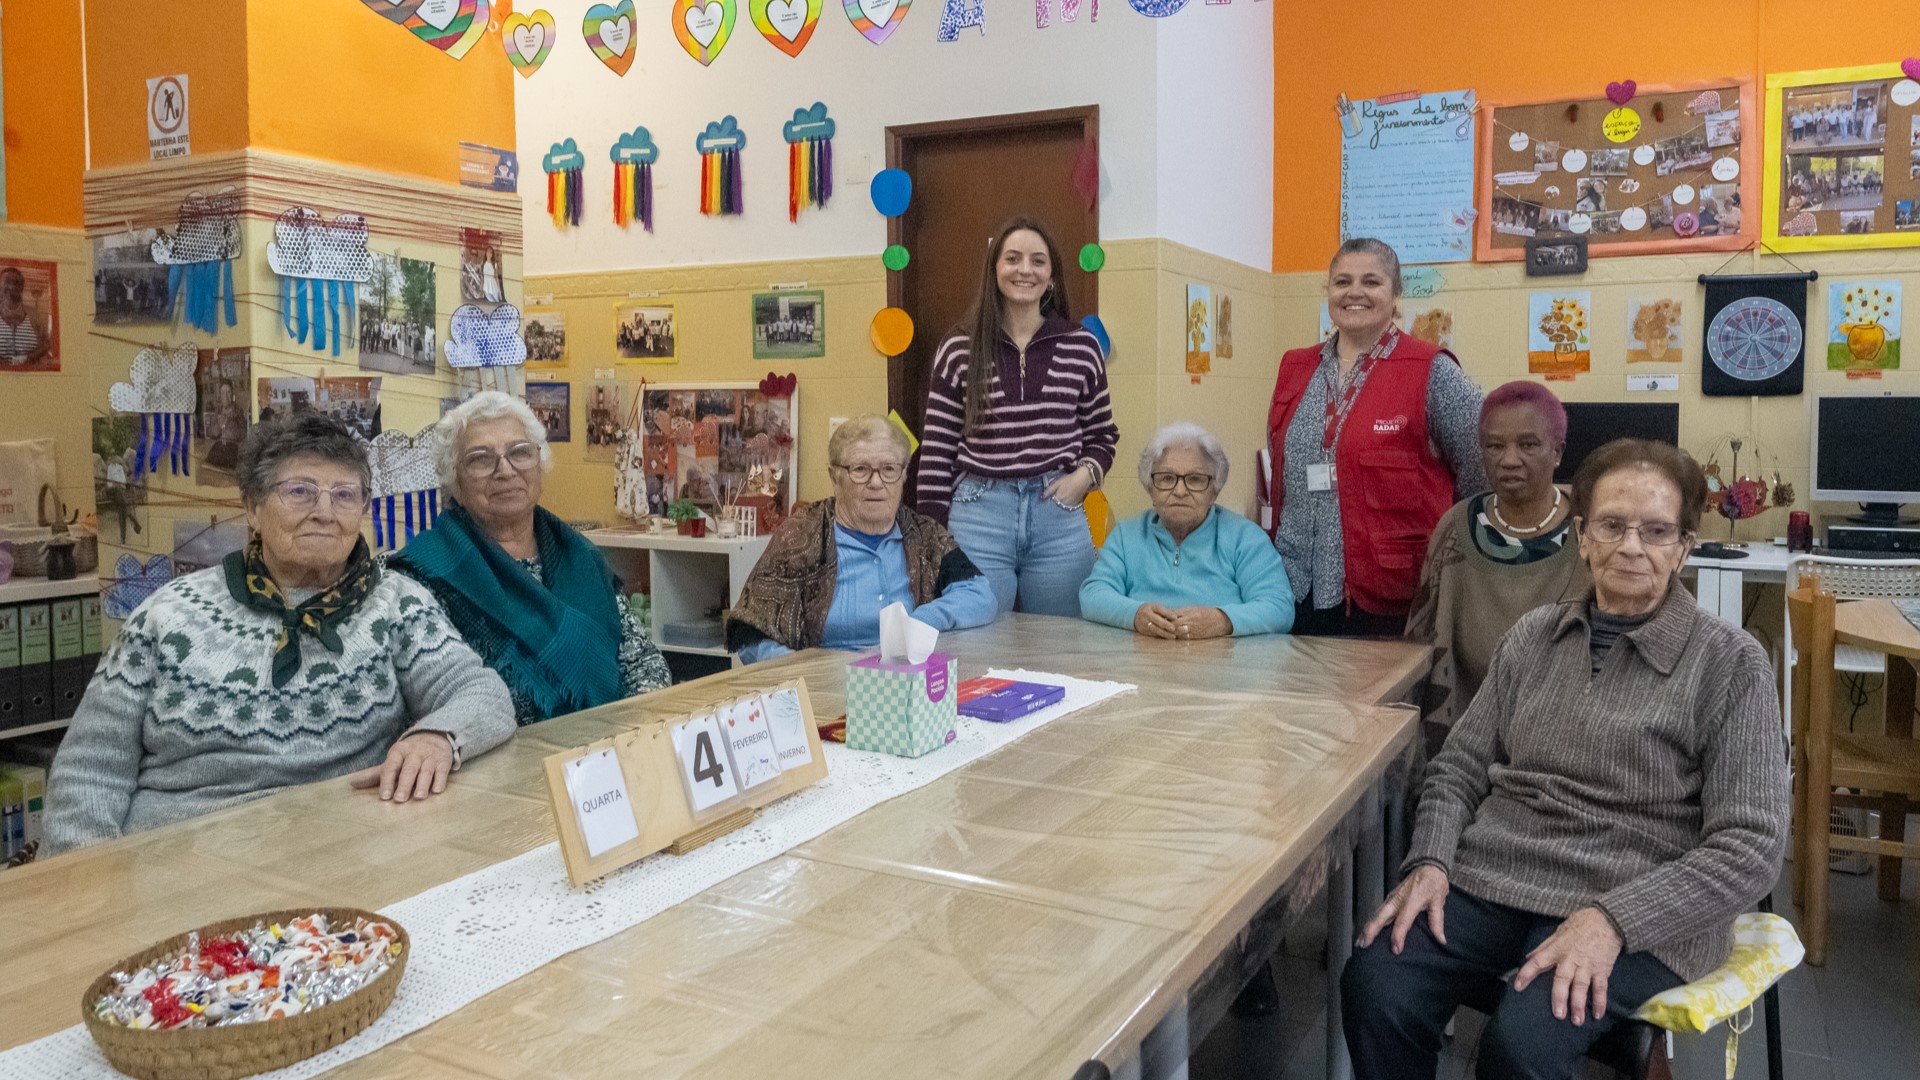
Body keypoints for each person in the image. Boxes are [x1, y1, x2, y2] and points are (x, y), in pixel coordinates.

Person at [1342, 438, 1788, 1080]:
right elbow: (1459, 767)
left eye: (1656, 530)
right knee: (1378, 985)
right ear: (1582, 535)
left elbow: (1751, 846)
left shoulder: (1731, 663)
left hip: (1640, 897)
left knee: (1519, 1048)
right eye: (1612, 525)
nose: (1632, 546)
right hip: (1499, 874)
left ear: (1684, 546)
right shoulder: (1533, 636)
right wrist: (1432, 860)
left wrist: (1614, 920)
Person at [45, 415, 516, 853]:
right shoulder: (166, 617)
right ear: (252, 507)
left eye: (344, 495)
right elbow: (87, 773)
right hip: (180, 862)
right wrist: (92, 889)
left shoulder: (395, 603)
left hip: (344, 856)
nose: (324, 512)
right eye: (299, 492)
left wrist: (436, 738)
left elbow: (482, 694)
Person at [390, 392, 670, 725]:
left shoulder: (581, 559)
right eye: (480, 458)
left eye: (520, 452)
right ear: (455, 482)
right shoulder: (420, 576)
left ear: (539, 464)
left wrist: (632, 731)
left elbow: (641, 660)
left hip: (606, 751)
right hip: (492, 763)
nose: (504, 470)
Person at [1268, 237, 1485, 637]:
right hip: (1292, 587)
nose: (1354, 292)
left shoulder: (1430, 370)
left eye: (1371, 282)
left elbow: (1480, 470)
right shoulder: (1295, 367)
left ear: (1396, 293)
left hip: (1389, 596)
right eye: (1342, 282)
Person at [916, 216, 1118, 618]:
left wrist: (1084, 477)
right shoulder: (959, 346)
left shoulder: (1082, 346)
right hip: (978, 515)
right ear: (995, 272)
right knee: (976, 642)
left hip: (1058, 516)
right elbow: (936, 454)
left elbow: (1103, 434)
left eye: (1038, 261)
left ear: (1052, 277)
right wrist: (931, 537)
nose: (1025, 269)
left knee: (1063, 647)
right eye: (1012, 259)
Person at [729, 414, 997, 663]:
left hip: (908, 679)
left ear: (904, 475)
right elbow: (749, 636)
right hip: (825, 685)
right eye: (860, 469)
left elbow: (979, 594)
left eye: (889, 469)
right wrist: (801, 668)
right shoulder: (800, 535)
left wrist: (924, 619)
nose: (877, 482)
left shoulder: (925, 535)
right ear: (835, 477)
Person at [1406, 382, 1588, 734]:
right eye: (1494, 446)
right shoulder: (1457, 528)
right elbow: (1421, 642)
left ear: (1558, 451)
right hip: (1466, 729)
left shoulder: (1590, 530)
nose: (1508, 460)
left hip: (1567, 733)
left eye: (1528, 445)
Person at [1081, 423, 1295, 639]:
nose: (1180, 491)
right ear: (1150, 488)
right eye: (1166, 478)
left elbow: (1279, 607)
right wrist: (1135, 614)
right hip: (1142, 664)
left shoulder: (1246, 538)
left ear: (1215, 490)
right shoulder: (1125, 537)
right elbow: (1092, 595)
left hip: (1224, 666)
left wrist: (1224, 620)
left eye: (1195, 479)